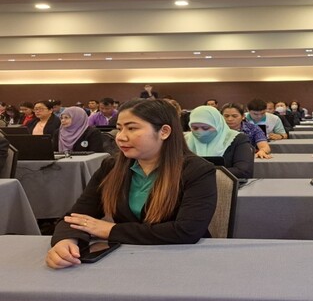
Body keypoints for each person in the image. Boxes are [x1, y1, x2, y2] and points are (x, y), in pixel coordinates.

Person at [46, 99, 217, 269]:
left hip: (183, 260)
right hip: (126, 260)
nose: (120, 137)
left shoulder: (197, 170)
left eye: (132, 128)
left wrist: (111, 230)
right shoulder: (112, 167)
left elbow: (186, 231)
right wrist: (66, 241)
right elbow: (75, 217)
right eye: (119, 128)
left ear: (164, 132)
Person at [185, 105, 254, 178]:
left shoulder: (237, 139)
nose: (200, 131)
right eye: (195, 128)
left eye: (205, 128)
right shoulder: (186, 140)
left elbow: (243, 171)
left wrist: (201, 173)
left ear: (218, 125)